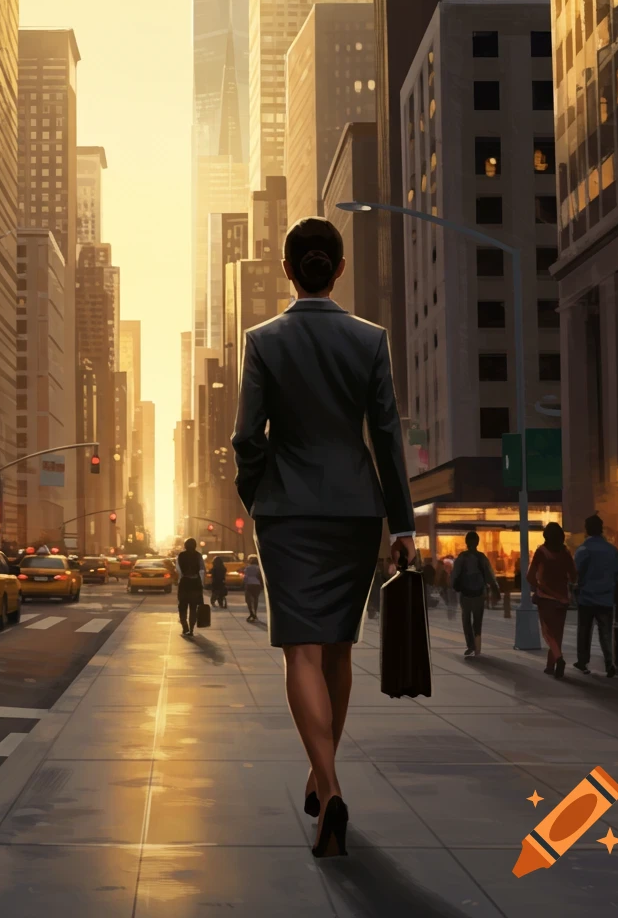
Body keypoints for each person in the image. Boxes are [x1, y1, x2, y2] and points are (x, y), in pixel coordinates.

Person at [232, 216, 414, 860]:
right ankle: (325, 776)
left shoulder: (262, 340)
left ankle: (327, 785)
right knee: (337, 651)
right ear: (337, 269)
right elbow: (387, 437)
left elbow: (246, 436)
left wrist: (256, 493)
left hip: (287, 512)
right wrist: (404, 523)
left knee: (300, 653)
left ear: (288, 270)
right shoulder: (370, 341)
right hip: (355, 512)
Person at [573, 514, 618, 677]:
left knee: (584, 631)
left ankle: (582, 662)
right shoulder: (612, 550)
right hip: (606, 598)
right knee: (606, 633)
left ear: (587, 529)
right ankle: (609, 663)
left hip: (586, 598)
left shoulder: (583, 550)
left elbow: (576, 573)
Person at [525, 522, 577, 678]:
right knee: (558, 633)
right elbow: (574, 576)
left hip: (546, 599)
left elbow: (530, 577)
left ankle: (559, 659)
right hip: (563, 599)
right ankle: (550, 665)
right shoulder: (565, 553)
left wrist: (539, 586)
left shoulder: (541, 552)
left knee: (548, 633)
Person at [450, 531, 499, 658]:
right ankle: (477, 647)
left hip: (465, 594)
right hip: (479, 594)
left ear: (466, 543)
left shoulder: (462, 557)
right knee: (477, 621)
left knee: (466, 620)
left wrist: (454, 586)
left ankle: (471, 645)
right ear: (478, 542)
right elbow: (489, 575)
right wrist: (495, 588)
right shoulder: (481, 557)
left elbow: (455, 575)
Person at [175, 538, 205, 637]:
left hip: (184, 583)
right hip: (195, 583)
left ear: (185, 545)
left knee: (182, 606)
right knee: (193, 607)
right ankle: (191, 628)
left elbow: (178, 570)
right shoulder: (198, 556)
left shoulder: (181, 555)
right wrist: (201, 584)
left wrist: (180, 579)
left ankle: (185, 626)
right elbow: (202, 570)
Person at [243, 554, 263, 622]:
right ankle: (255, 613)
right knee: (255, 599)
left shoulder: (248, 568)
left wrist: (244, 584)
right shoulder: (259, 568)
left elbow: (245, 577)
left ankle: (251, 613)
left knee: (248, 600)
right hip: (257, 585)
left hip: (249, 584)